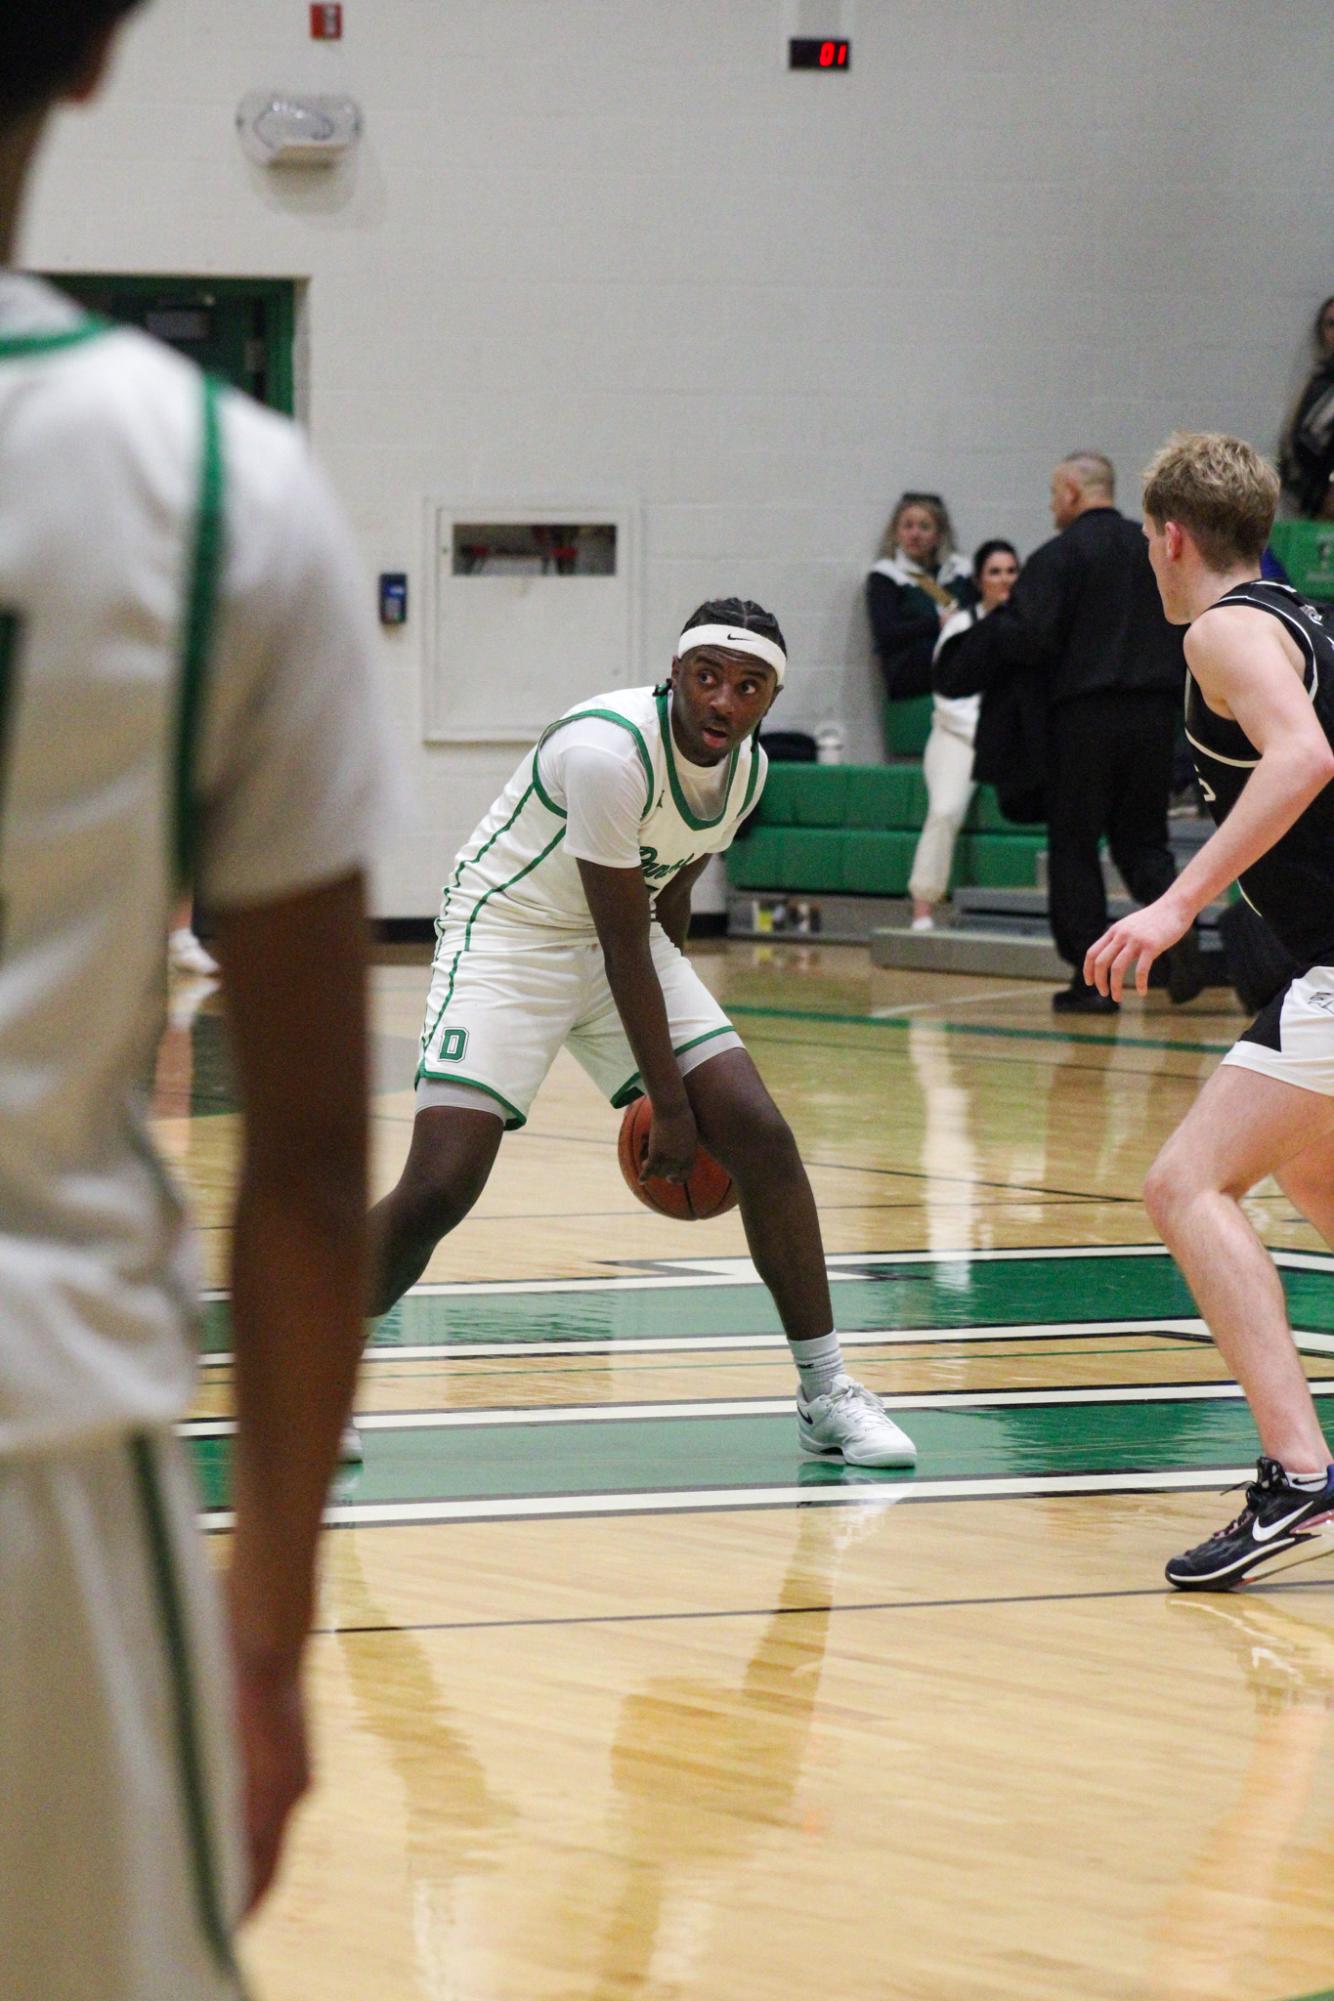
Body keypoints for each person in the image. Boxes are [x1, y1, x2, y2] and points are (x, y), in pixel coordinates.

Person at [0, 7, 401, 1993]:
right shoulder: (216, 491)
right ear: (90, 56)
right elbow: (313, 1163)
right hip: (39, 1481)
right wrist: (265, 1614)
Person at [367, 599, 915, 1470]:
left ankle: (827, 1392)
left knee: (763, 1137)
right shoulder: (607, 754)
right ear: (675, 673)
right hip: (512, 937)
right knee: (442, 1183)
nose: (722, 702)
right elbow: (620, 942)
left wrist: (694, 1068)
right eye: (707, 677)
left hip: (624, 937)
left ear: (769, 700)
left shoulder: (748, 772)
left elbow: (664, 904)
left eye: (747, 687)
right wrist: (669, 1102)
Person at [1084, 431, 1334, 1589]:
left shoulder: (1225, 629)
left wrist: (1175, 904)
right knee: (1314, 1177)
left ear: (1168, 537)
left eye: (1143, 537)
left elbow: (1299, 758)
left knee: (1182, 1184)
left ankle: (1295, 1471)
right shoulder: (1299, 616)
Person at [941, 451, 1203, 1013]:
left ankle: (1092, 982)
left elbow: (1028, 636)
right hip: (1156, 715)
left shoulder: (1059, 557)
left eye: (1053, 492)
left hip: (1083, 720)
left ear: (1071, 492)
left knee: (1076, 847)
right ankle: (1184, 938)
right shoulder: (1158, 550)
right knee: (1143, 841)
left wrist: (976, 653)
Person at [907, 539, 1020, 929]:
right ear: (979, 580)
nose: (1004, 579)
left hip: (1009, 739)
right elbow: (948, 697)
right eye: (995, 572)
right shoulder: (959, 627)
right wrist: (992, 734)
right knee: (944, 810)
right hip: (958, 737)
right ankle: (923, 905)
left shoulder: (1030, 626)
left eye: (1010, 571)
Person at [865, 492, 974, 705]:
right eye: (908, 526)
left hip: (962, 681)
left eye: (924, 527)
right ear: (896, 532)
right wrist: (937, 624)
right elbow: (887, 632)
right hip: (912, 684)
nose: (915, 534)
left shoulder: (960, 570)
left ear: (938, 535)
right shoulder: (886, 575)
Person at [1278, 295, 1334, 521]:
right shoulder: (1315, 388)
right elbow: (1294, 447)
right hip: (1318, 510)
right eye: (1331, 324)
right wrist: (1320, 497)